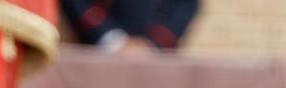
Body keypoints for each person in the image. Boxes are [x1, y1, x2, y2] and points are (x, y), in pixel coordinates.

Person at [61, 0, 200, 51]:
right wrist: (113, 39)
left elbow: (186, 4)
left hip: (155, 60)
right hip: (96, 50)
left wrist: (152, 45)